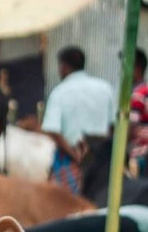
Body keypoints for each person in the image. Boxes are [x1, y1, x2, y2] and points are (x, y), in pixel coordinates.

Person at [41, 46, 115, 193]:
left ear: (64, 66)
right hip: (102, 161)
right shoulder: (105, 88)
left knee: (67, 205)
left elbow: (52, 130)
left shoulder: (59, 92)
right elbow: (113, 125)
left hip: (71, 160)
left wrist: (75, 155)